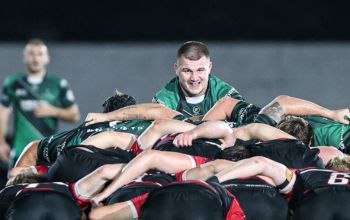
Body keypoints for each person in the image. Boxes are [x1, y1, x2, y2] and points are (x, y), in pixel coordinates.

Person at [0, 39, 80, 167]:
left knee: (45, 187)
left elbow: (75, 115)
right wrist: (1, 143)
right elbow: (3, 113)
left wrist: (54, 111)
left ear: (47, 58)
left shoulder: (58, 84)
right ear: (24, 57)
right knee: (15, 186)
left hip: (47, 151)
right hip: (20, 151)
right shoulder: (13, 83)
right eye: (31, 53)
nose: (35, 58)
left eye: (40, 54)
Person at [152, 41, 244, 119]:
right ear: (176, 69)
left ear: (210, 67)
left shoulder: (226, 94)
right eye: (187, 70)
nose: (194, 78)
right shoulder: (164, 99)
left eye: (200, 70)